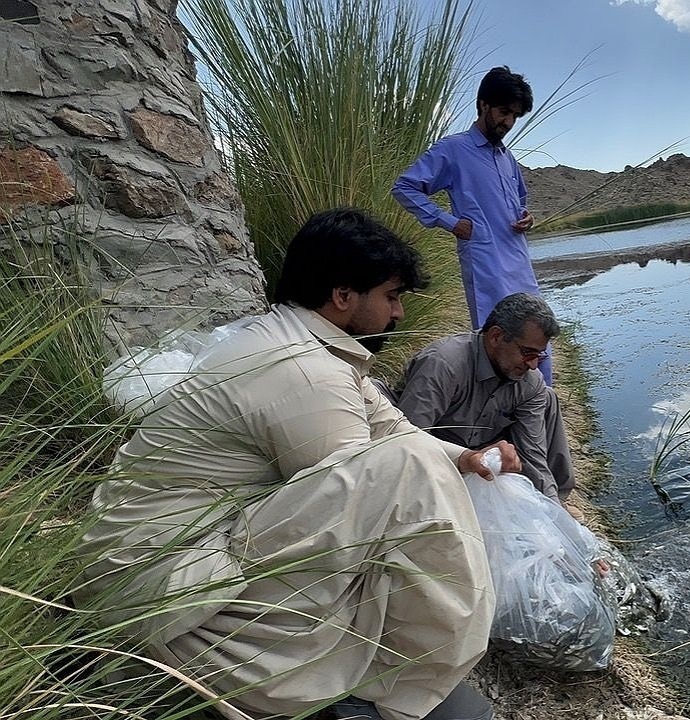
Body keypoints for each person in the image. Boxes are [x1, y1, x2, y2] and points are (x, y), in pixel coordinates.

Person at [75, 208, 517, 720]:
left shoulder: (304, 345)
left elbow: (391, 428)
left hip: (184, 551)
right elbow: (368, 510)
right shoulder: (300, 370)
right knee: (404, 479)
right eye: (391, 297)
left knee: (409, 463)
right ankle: (403, 687)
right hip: (161, 587)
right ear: (343, 295)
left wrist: (467, 456)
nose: (397, 314)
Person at [391, 65, 553, 386]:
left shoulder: (507, 158)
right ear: (483, 105)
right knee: (500, 346)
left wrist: (526, 217)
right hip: (485, 266)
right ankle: (502, 424)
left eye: (515, 116)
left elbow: (520, 199)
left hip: (520, 263)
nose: (508, 122)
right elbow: (405, 188)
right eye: (504, 112)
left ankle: (543, 411)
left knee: (538, 338)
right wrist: (450, 223)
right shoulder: (453, 150)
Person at [397, 292, 575, 506]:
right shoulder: (444, 365)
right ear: (496, 336)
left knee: (548, 397)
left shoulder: (530, 382)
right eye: (528, 353)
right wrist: (464, 459)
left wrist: (553, 513)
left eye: (539, 356)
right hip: (441, 454)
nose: (533, 365)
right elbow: (406, 441)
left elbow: (533, 455)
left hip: (486, 452)